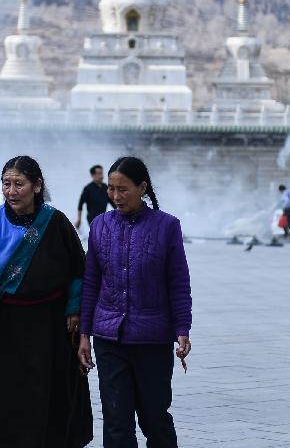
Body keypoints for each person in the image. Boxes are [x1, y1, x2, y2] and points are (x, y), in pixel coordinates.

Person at [0, 156, 92, 447]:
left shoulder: (56, 222)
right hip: (9, 323)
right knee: (9, 393)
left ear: (37, 186)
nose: (11, 191)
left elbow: (79, 270)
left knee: (48, 390)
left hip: (50, 323)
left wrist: (75, 310)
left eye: (18, 184)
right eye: (6, 184)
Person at [78, 156, 192, 448]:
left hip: (153, 339)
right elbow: (91, 282)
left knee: (154, 417)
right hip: (109, 339)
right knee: (116, 420)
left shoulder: (167, 226)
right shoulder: (100, 226)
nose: (115, 196)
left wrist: (182, 328)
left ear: (142, 187)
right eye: (111, 189)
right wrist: (84, 336)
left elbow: (178, 282)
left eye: (123, 189)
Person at [74, 164, 114, 230]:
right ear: (92, 175)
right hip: (92, 219)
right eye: (98, 173)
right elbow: (80, 204)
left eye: (101, 173)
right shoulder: (88, 189)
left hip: (103, 218)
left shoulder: (105, 187)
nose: (101, 176)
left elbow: (112, 202)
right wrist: (79, 220)